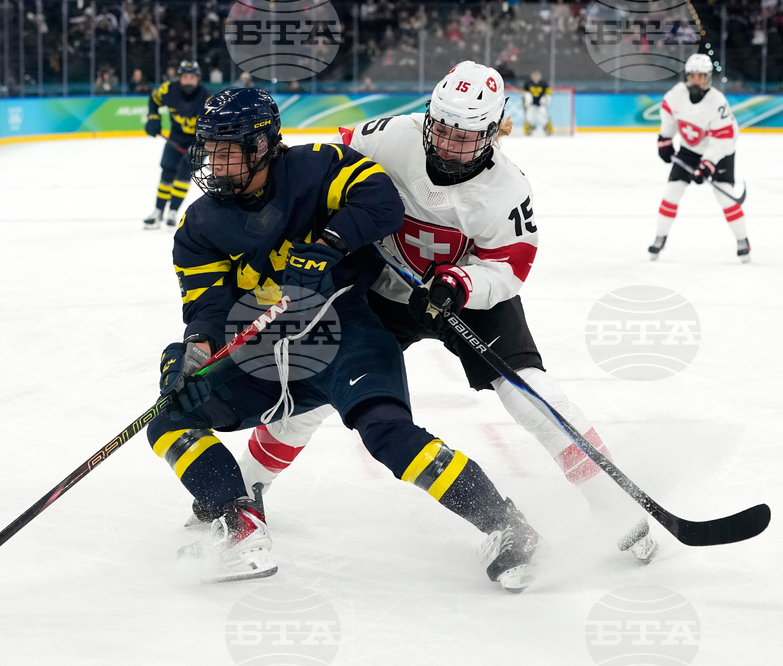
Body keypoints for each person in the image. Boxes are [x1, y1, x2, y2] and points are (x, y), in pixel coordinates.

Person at [193, 62, 658, 566]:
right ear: (428, 116)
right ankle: (249, 486)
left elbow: (511, 265)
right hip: (381, 289)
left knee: (526, 390)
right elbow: (327, 172)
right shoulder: (388, 136)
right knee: (324, 390)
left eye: (466, 136)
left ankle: (612, 501)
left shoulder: (508, 191)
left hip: (466, 293)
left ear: (494, 130)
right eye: (443, 128)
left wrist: (461, 284)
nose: (450, 144)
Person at [148, 86, 545, 591]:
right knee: (171, 414)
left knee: (388, 434)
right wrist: (195, 354)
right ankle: (239, 523)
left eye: (230, 150)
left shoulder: (317, 167)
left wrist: (329, 245)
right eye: (211, 150)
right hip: (273, 353)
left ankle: (508, 526)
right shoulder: (199, 225)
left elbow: (382, 203)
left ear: (264, 146)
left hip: (346, 334)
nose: (216, 163)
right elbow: (207, 307)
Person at [650, 53, 748, 262]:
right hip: (689, 149)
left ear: (708, 78)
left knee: (726, 196)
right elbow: (668, 119)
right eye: (693, 75)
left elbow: (723, 140)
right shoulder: (675, 95)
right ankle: (660, 237)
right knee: (671, 191)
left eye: (701, 76)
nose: (697, 80)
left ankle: (742, 240)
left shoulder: (717, 102)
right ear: (688, 76)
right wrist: (665, 141)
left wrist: (707, 165)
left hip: (721, 151)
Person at [142, 60, 210, 229]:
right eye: (185, 77)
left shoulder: (207, 98)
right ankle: (158, 211)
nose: (188, 81)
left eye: (192, 77)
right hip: (176, 137)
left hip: (198, 140)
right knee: (167, 171)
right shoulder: (168, 90)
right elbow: (154, 99)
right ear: (179, 78)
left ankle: (173, 211)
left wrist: (199, 147)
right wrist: (153, 118)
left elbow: (212, 127)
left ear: (198, 79)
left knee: (184, 175)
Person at [522, 70, 553, 136]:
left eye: (537, 75)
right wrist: (526, 96)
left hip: (541, 104)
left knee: (544, 117)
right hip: (531, 104)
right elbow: (523, 91)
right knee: (529, 117)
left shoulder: (543, 83)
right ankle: (527, 131)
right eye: (534, 75)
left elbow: (548, 91)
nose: (536, 77)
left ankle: (549, 130)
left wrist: (546, 97)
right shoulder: (528, 83)